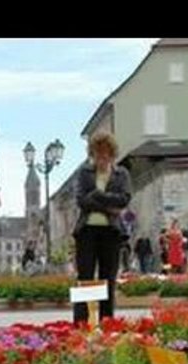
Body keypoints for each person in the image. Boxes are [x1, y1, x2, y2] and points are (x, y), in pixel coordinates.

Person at [72, 130, 131, 325]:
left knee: (108, 279)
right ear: (92, 153)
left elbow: (124, 199)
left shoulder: (121, 174)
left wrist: (96, 195)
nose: (102, 157)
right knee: (85, 279)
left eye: (106, 152)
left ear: (112, 153)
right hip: (87, 231)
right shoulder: (84, 172)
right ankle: (82, 323)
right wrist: (107, 205)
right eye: (98, 153)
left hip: (111, 233)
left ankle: (107, 323)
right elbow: (81, 201)